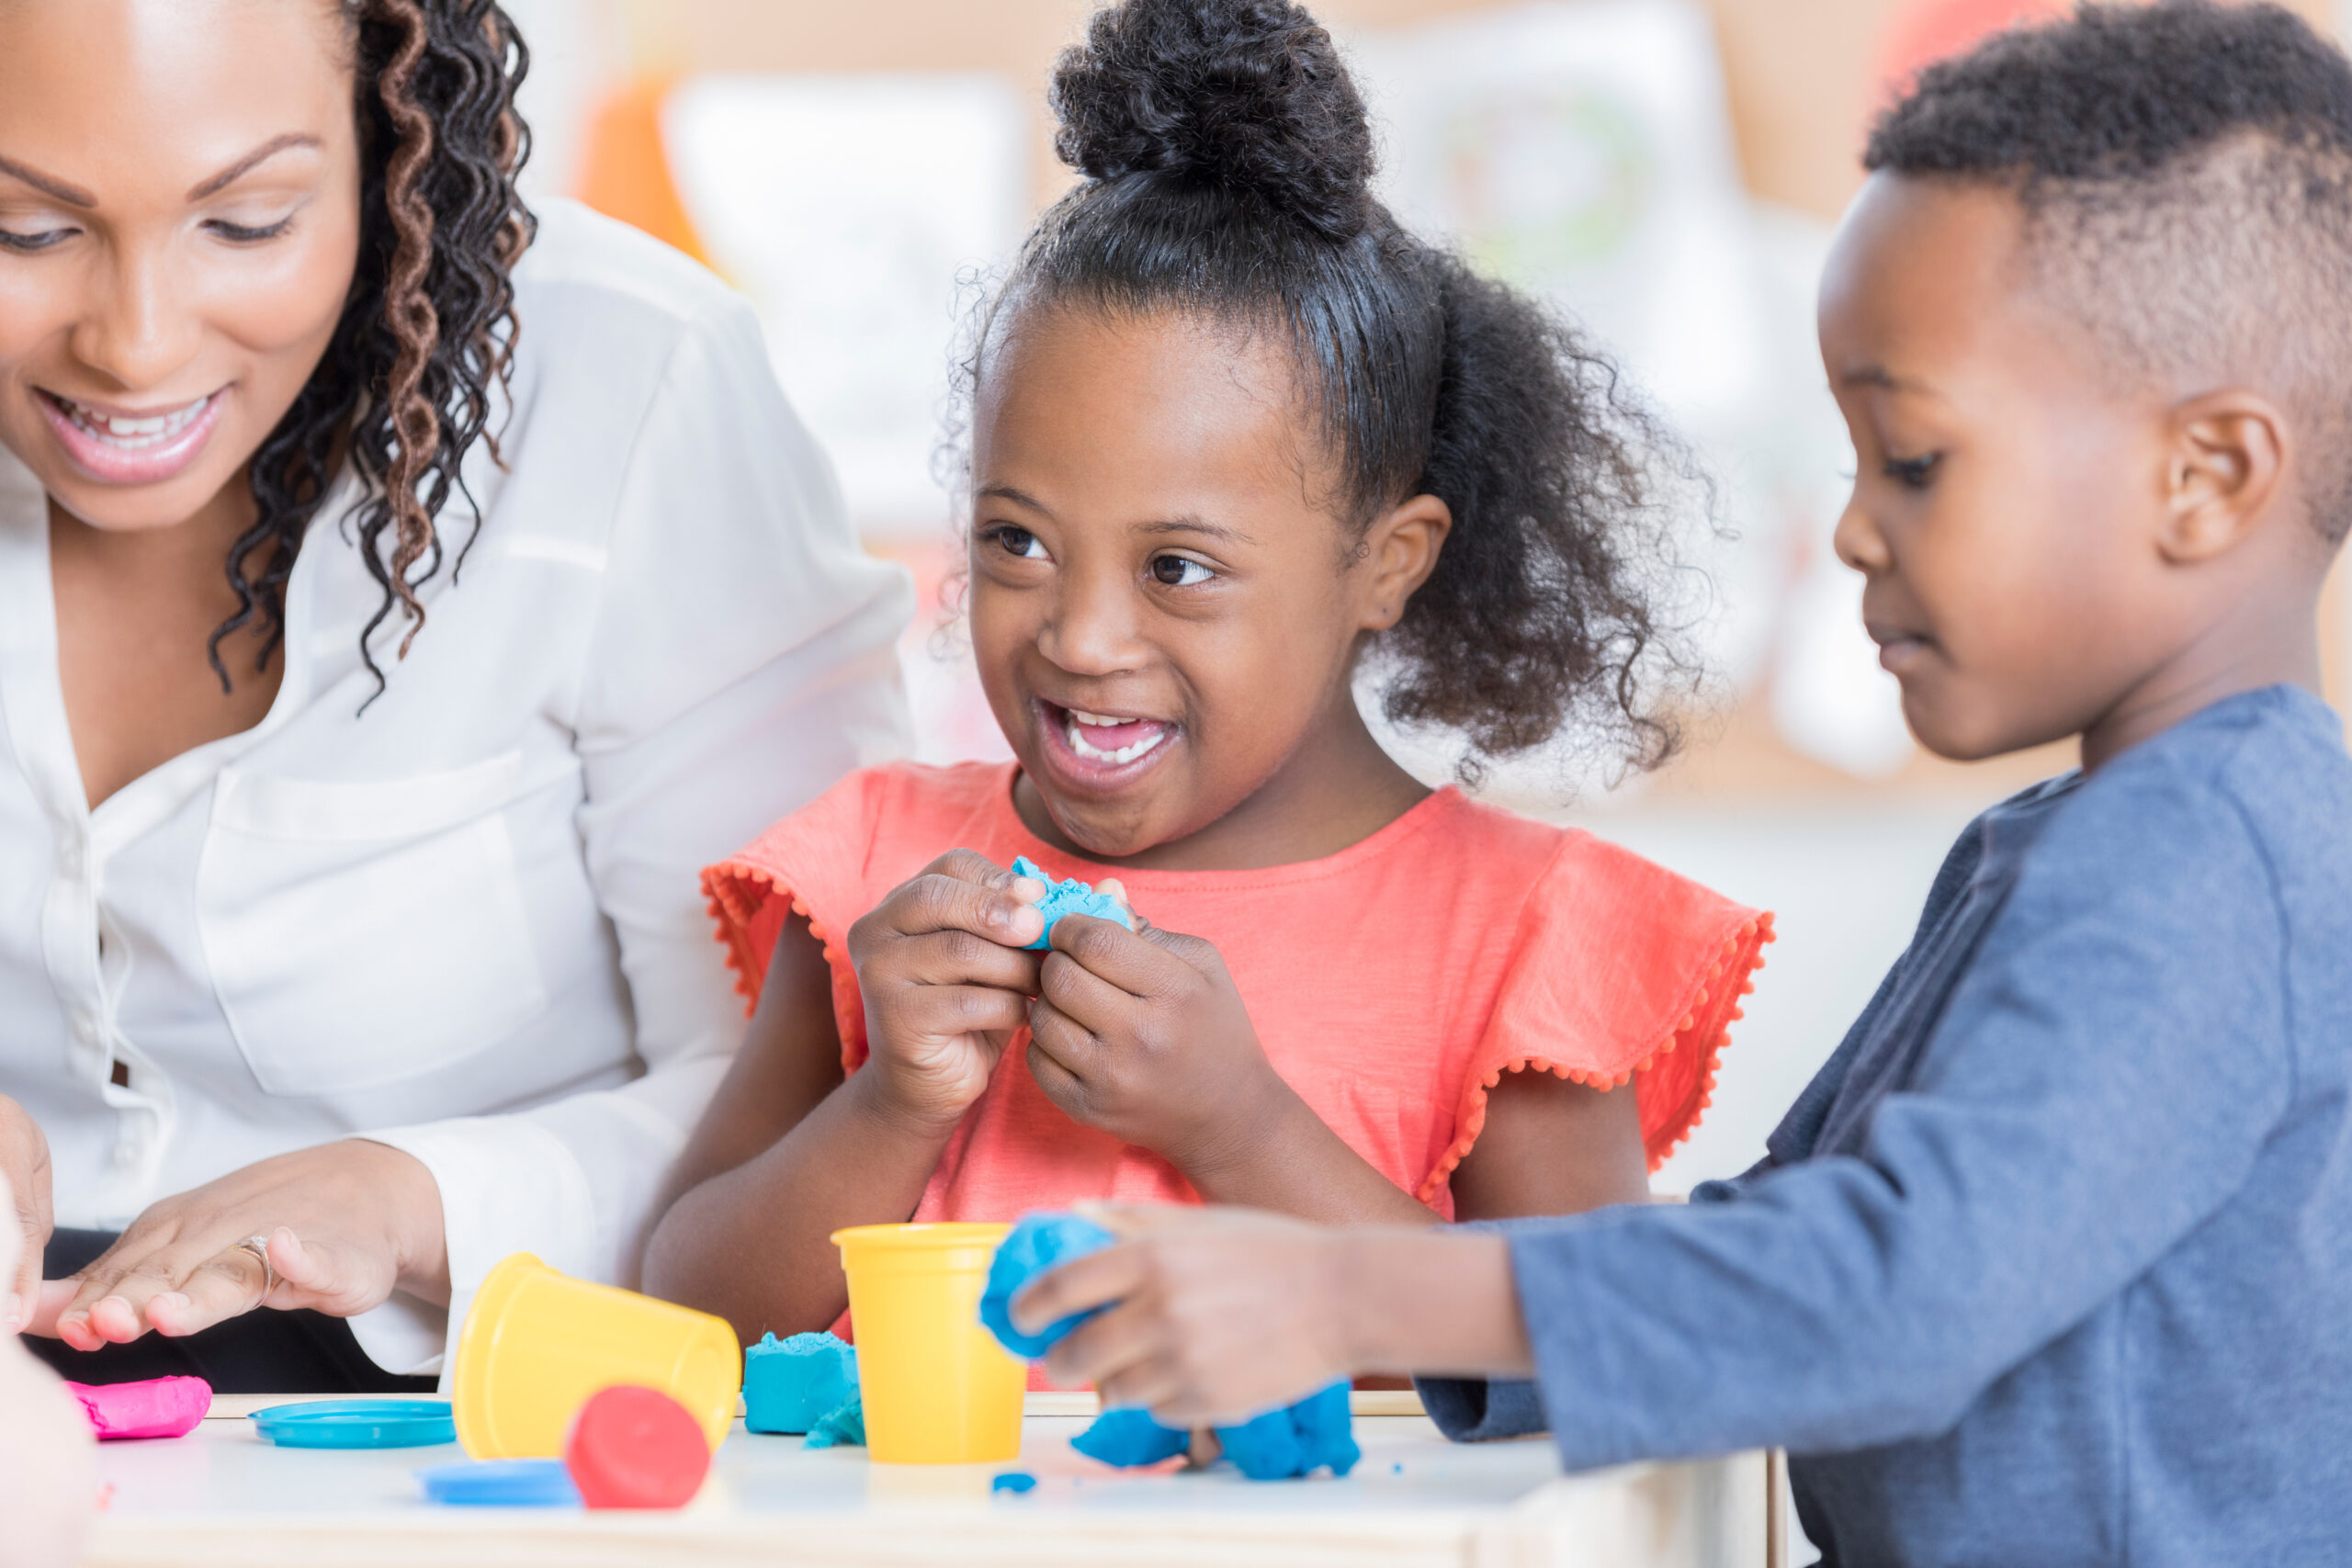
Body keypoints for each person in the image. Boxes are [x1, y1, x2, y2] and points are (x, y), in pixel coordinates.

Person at [1003, 5, 2352, 1563]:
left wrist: (1350, 1290)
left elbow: (1890, 1293)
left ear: (2210, 478)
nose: (1852, 529)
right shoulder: (2077, 848)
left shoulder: (2211, 864)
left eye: (1911, 461)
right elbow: (1786, 1239)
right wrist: (1397, 1311)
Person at [639, 0, 1771, 1352]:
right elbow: (682, 1306)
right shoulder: (882, 873)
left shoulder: (1520, 944)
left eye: (1178, 568)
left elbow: (1585, 1365)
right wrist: (895, 1103)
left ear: (1386, 564)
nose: (1081, 637)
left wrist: (1242, 1127)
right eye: (1017, 542)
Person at [0, 0, 909, 1390]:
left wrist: (409, 1201)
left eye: (246, 222)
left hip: (492, 1410)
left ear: (386, 139)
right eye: (26, 228)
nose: (133, 344)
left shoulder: (628, 391)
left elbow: (814, 1105)